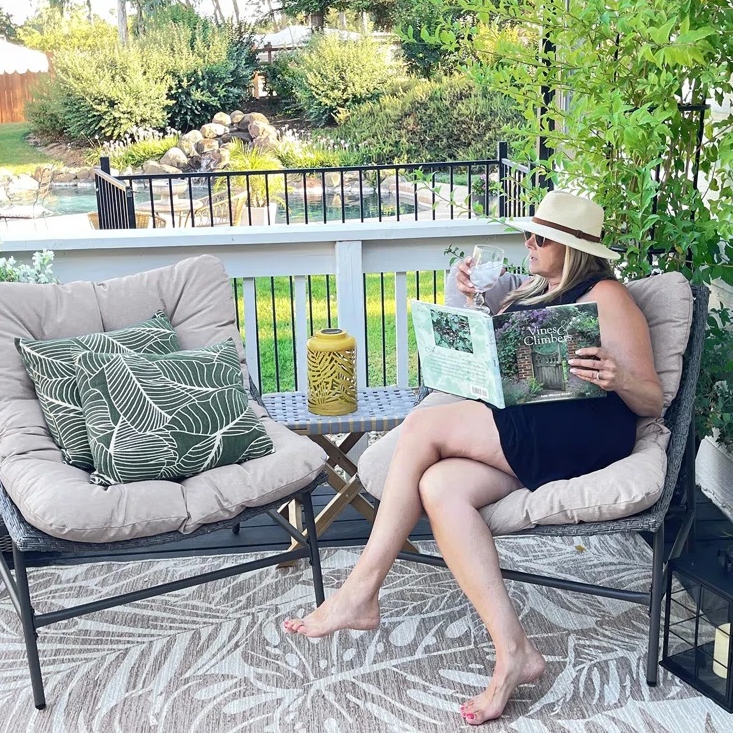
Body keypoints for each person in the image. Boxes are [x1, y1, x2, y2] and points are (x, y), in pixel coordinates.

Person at [284, 190, 663, 726]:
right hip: (532, 426)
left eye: (540, 238)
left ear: (573, 248)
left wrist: (618, 376)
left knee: (425, 426)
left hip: (584, 433)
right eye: (528, 234)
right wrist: (469, 306)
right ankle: (515, 652)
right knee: (440, 487)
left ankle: (361, 591)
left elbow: (651, 399)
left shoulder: (608, 296)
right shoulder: (534, 290)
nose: (528, 243)